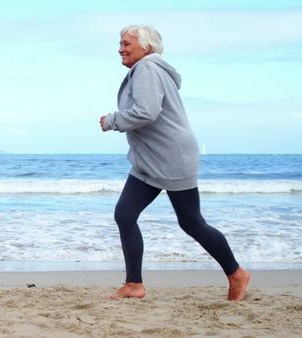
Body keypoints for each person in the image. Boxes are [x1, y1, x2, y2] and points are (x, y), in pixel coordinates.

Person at [99, 25, 250, 301]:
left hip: (171, 157)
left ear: (146, 47)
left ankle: (236, 273)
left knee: (192, 223)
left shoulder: (147, 69)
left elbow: (146, 112)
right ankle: (134, 284)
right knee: (125, 214)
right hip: (150, 160)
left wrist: (112, 121)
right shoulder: (149, 69)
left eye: (126, 43)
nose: (120, 48)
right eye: (119, 43)